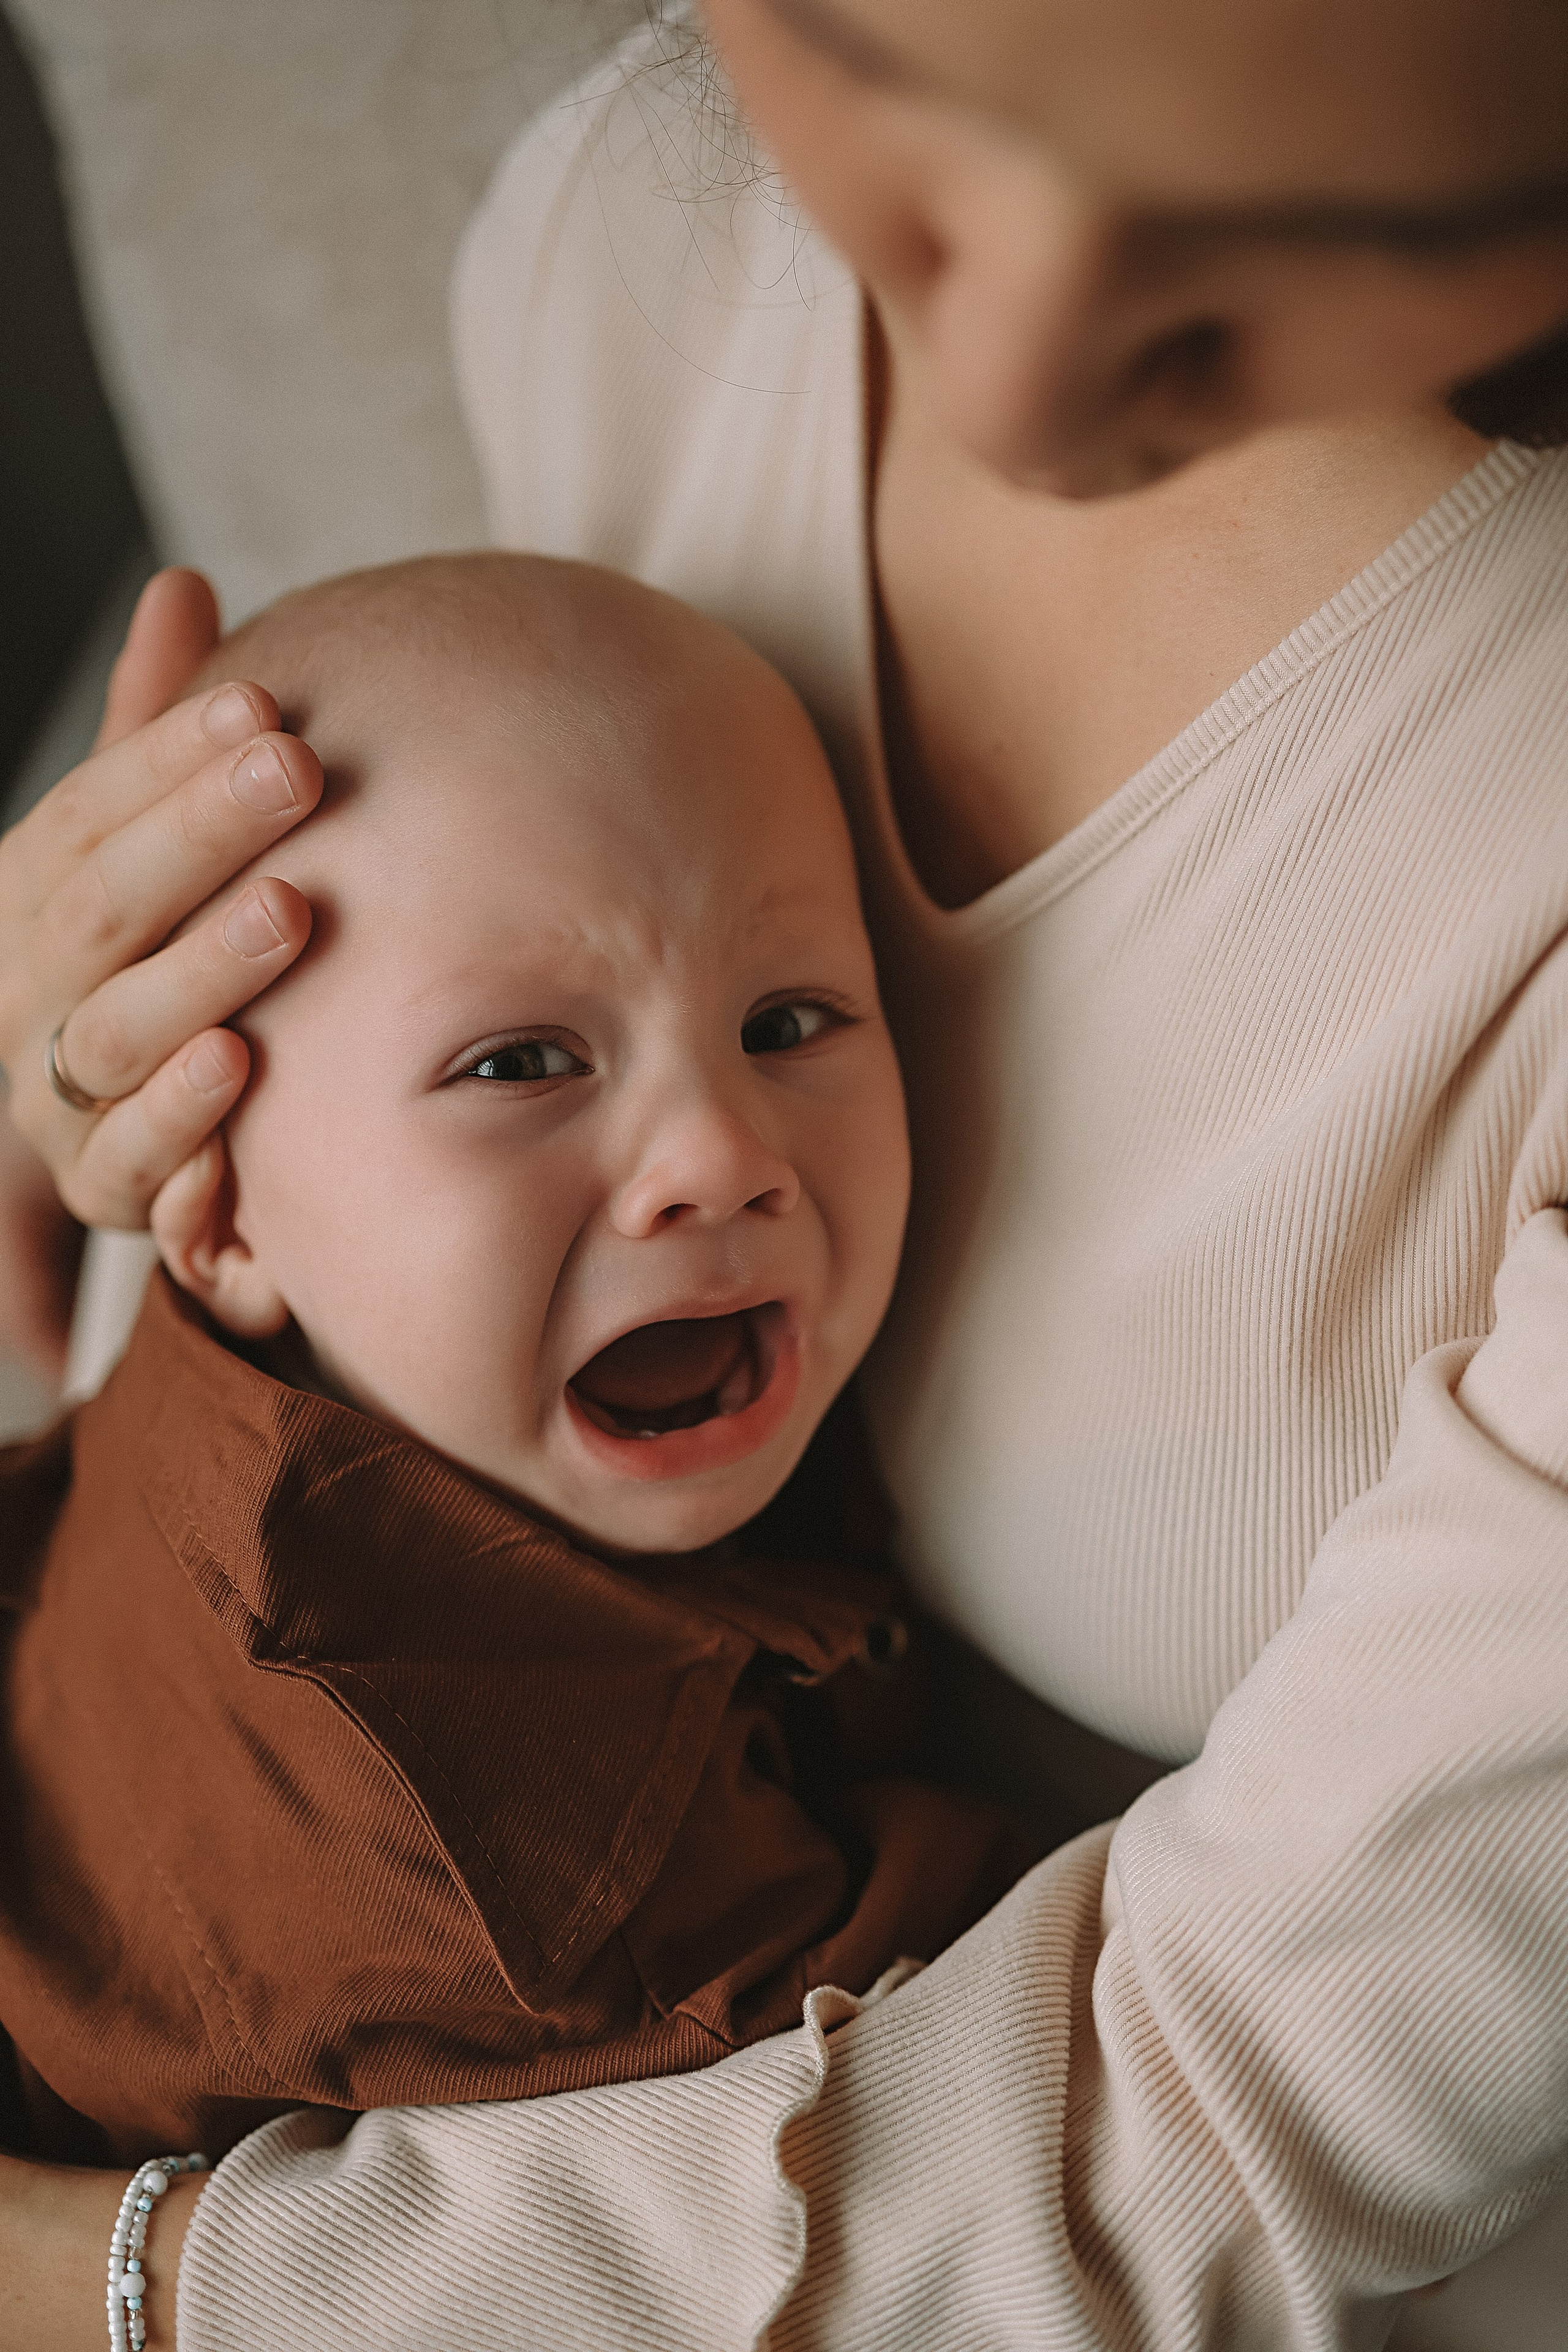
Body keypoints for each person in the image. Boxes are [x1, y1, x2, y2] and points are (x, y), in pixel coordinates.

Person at [4, 0, 1568, 2345]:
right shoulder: (629, 225)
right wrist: (97, 1048)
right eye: (915, 109)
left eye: (1317, 224)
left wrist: (121, 2285)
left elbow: (1200, 2135)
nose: (1020, 387)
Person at [0, 551, 1014, 2173]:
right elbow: (895, 2102)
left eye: (788, 1022)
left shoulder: (314, 1354)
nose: (718, 1156)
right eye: (522, 1061)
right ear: (223, 1220)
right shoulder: (552, 1905)